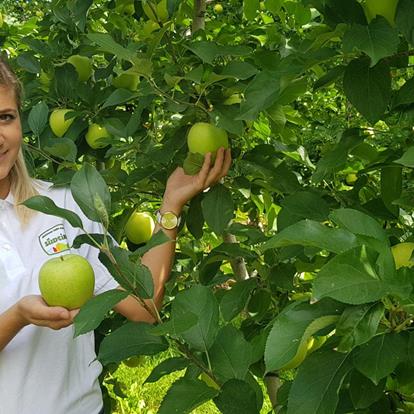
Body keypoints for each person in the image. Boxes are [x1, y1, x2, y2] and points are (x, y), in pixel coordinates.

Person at [0, 57, 231, 414]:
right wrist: (17, 316)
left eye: (6, 117)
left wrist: (170, 207)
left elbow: (144, 306)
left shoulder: (62, 204)